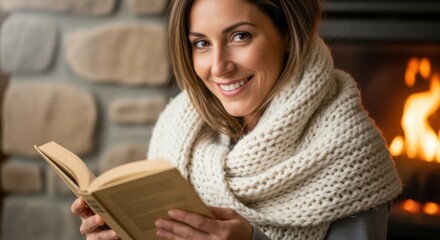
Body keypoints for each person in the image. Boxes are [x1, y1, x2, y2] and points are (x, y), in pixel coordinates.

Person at [71, 0, 402, 239]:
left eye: (239, 36)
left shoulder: (350, 154)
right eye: (201, 43)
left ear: (287, 34)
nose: (218, 67)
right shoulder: (178, 128)